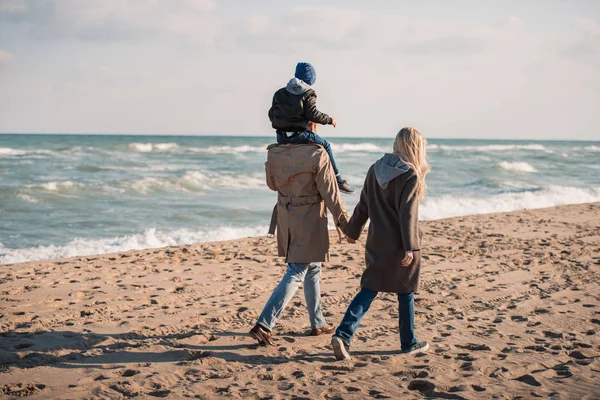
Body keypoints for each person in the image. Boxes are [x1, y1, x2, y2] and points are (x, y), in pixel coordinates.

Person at [331, 127, 431, 360]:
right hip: (400, 244)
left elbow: (363, 205)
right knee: (405, 291)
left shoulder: (374, 169)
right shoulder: (410, 175)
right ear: (415, 148)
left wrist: (352, 231)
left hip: (376, 241)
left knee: (369, 288)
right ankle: (409, 343)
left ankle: (343, 335)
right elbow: (408, 214)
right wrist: (410, 246)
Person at [249, 140, 351, 346]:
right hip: (309, 217)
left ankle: (318, 322)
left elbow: (272, 185)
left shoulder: (274, 151)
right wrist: (343, 221)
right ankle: (264, 324)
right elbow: (330, 192)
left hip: (287, 215)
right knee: (297, 270)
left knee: (313, 267)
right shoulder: (317, 153)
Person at [268, 61, 355, 194]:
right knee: (326, 145)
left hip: (281, 136)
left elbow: (271, 113)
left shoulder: (279, 93)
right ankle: (338, 180)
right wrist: (330, 120)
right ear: (310, 79)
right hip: (299, 135)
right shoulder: (308, 93)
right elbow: (313, 114)